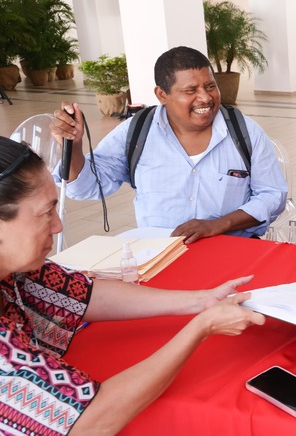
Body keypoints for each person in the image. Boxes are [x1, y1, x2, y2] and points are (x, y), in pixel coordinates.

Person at [0, 136, 265, 434]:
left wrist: (202, 300)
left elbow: (84, 294)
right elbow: (90, 423)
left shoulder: (18, 272)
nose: (58, 226)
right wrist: (200, 328)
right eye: (46, 213)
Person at [50, 46, 287, 243]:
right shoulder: (136, 132)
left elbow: (272, 195)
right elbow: (86, 187)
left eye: (210, 86)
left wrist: (218, 225)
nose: (205, 98)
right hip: (158, 254)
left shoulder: (244, 131)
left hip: (232, 250)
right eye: (191, 90)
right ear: (162, 95)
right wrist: (74, 147)